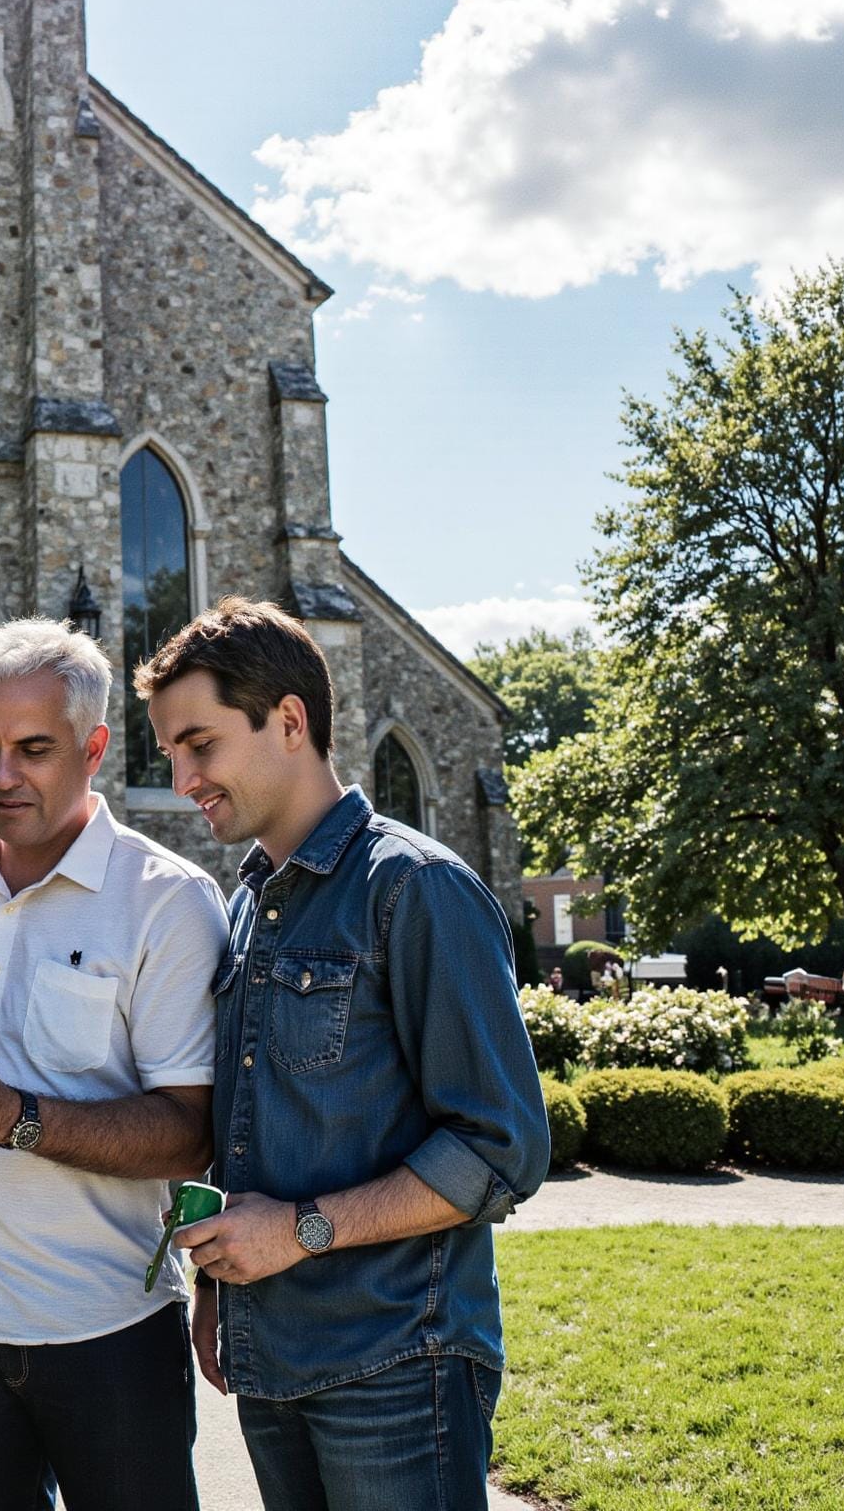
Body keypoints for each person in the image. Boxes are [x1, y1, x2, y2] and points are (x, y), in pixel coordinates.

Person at [139, 599, 552, 1511]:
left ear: (289, 721)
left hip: (398, 1369)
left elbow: (502, 1150)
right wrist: (220, 1289)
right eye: (171, 752)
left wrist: (297, 1231)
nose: (181, 778)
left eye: (198, 745)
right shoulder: (248, 904)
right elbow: (255, 1122)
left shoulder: (418, 889)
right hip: (274, 1363)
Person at [0, 618, 229, 1511]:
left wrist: (12, 1118)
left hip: (102, 1332)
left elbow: (193, 1135)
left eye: (33, 749)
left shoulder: (168, 902)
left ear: (95, 746)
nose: (2, 776)